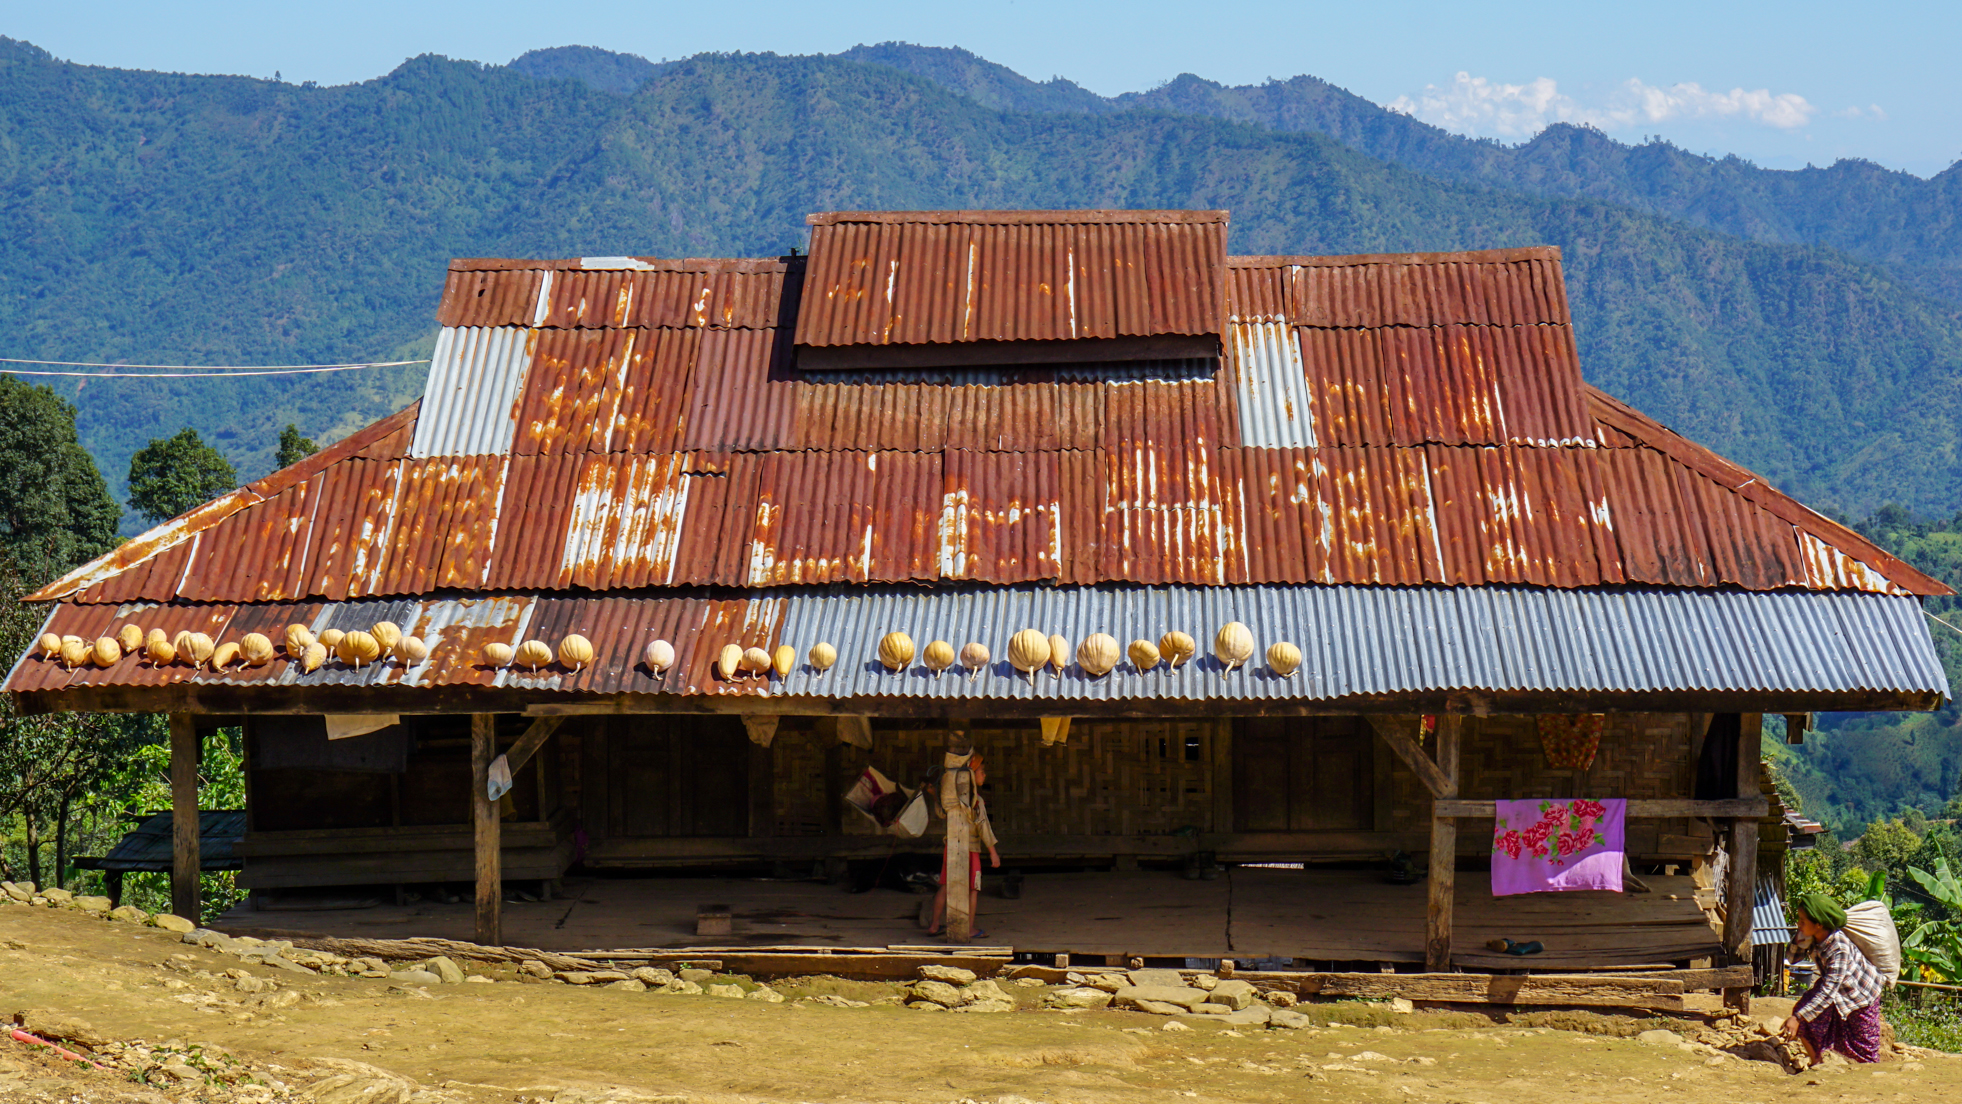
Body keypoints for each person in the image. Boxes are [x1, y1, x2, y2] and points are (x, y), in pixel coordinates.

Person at [1781, 891, 1885, 1065]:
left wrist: (1798, 1018)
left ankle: (1870, 1078)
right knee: (1804, 1012)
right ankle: (1817, 1063)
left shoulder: (1839, 948)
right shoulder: (1812, 936)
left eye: (1803, 921)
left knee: (1864, 1048)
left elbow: (1828, 992)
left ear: (1819, 925)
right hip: (1836, 988)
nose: (1798, 923)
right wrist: (1800, 938)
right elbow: (1791, 959)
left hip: (1861, 995)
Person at [928, 737, 1000, 940]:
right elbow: (983, 826)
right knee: (973, 889)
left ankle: (934, 925)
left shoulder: (952, 799)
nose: (984, 775)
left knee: (945, 885)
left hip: (950, 846)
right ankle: (968, 928)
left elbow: (942, 813)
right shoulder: (976, 801)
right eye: (981, 772)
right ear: (971, 775)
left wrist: (935, 795)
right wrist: (993, 851)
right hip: (970, 849)